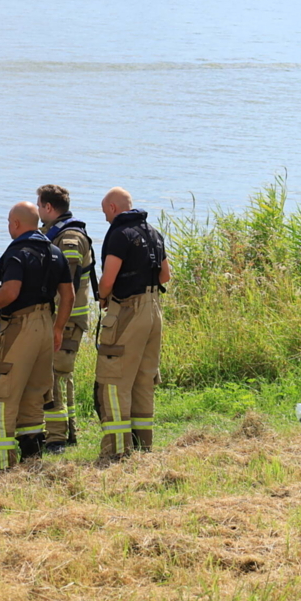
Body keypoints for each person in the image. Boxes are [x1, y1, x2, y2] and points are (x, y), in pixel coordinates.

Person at [0, 202, 74, 473]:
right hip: (45, 326)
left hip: (19, 326)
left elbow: (10, 292)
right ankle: (32, 461)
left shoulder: (18, 252)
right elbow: (69, 296)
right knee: (34, 395)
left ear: (15, 223)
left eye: (8, 222)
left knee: (2, 393)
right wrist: (57, 329)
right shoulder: (55, 252)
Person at [95, 187, 170, 461]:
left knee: (114, 379)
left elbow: (108, 280)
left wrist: (103, 297)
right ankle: (143, 446)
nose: (106, 218)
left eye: (105, 212)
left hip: (128, 311)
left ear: (113, 208)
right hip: (154, 311)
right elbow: (165, 276)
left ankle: (116, 450)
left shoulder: (120, 234)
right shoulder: (153, 232)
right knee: (143, 379)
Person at [37, 184, 96, 454]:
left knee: (54, 377)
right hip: (66, 320)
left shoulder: (69, 238)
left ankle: (56, 439)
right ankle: (68, 432)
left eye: (39, 206)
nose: (38, 211)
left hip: (67, 321)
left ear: (48, 207)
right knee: (62, 376)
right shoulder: (58, 233)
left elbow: (67, 287)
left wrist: (57, 326)